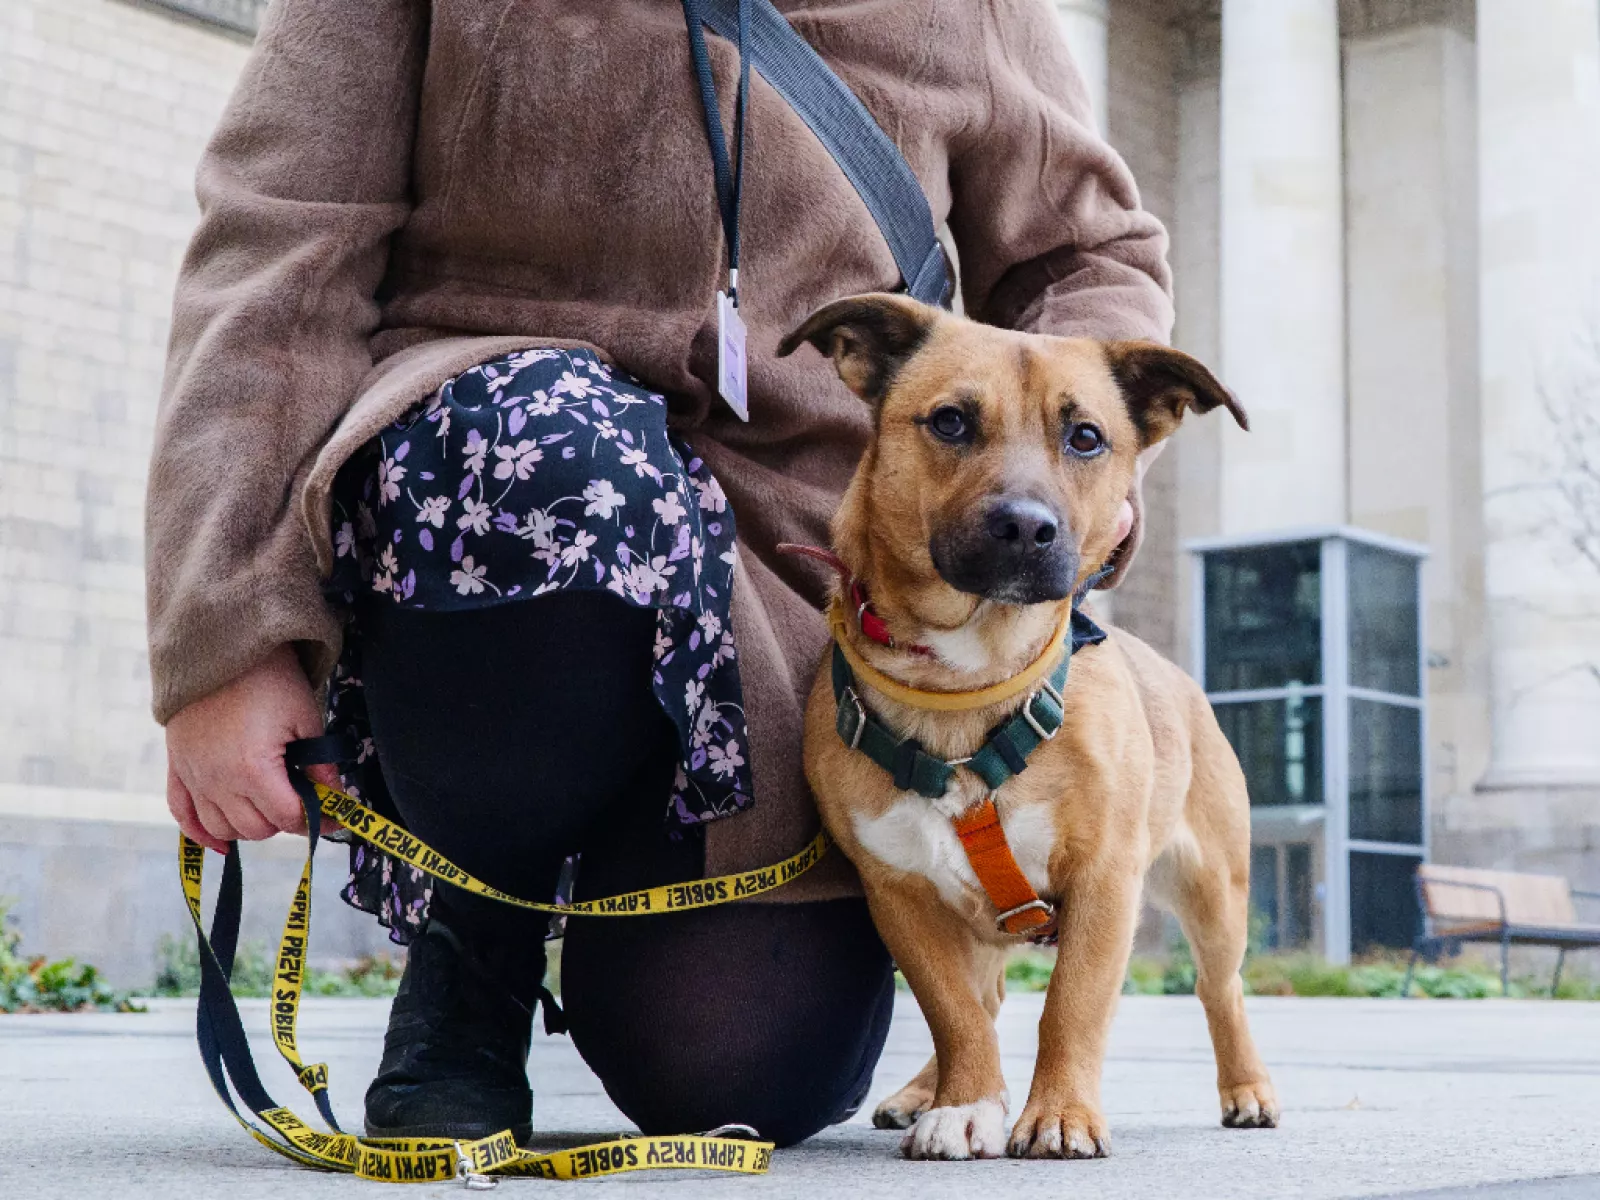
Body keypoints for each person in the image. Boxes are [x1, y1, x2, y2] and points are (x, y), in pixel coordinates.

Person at [146, 0, 1173, 1151]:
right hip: (503, 494)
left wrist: (1089, 476)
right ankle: (474, 945)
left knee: (734, 1070)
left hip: (792, 575)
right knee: (552, 454)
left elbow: (1086, 256)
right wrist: (226, 639)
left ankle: (645, 867)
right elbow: (276, 251)